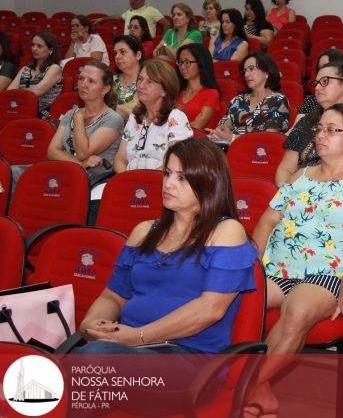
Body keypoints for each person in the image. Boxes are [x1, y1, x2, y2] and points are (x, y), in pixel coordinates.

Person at [249, 103, 343, 416]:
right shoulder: (300, 176)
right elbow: (265, 223)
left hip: (330, 273)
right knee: (235, 296)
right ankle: (257, 387)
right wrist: (249, 267)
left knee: (297, 310)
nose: (321, 135)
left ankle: (240, 390)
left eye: (333, 130)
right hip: (279, 267)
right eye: (320, 129)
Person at [76, 138, 257, 358]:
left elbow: (211, 309)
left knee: (92, 359)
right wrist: (91, 324)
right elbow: (113, 297)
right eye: (167, 174)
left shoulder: (226, 231)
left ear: (208, 182)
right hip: (124, 346)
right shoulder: (143, 232)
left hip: (185, 354)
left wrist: (137, 337)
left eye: (181, 178)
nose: (168, 184)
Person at [46, 61, 124, 185]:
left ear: (105, 89)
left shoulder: (113, 119)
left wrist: (78, 117)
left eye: (91, 81)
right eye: (81, 78)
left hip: (92, 180)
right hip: (65, 172)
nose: (83, 84)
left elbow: (83, 152)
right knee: (16, 172)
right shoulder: (70, 113)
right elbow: (52, 151)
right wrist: (80, 164)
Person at [114, 60, 192, 173]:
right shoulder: (134, 117)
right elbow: (120, 158)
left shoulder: (176, 117)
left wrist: (144, 183)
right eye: (140, 79)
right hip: (129, 181)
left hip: (160, 183)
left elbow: (176, 162)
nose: (141, 85)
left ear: (165, 90)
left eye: (149, 82)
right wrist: (127, 180)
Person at [207, 52, 288, 143]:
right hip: (228, 145)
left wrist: (232, 137)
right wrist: (218, 132)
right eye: (245, 71)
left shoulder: (278, 100)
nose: (246, 74)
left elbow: (269, 137)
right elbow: (225, 125)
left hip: (257, 152)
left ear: (267, 72)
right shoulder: (239, 99)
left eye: (251, 69)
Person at [8, 32, 63, 118]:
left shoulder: (54, 68)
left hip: (43, 112)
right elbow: (9, 92)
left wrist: (18, 94)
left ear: (51, 50)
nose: (34, 48)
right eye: (33, 45)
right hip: (21, 109)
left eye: (39, 46)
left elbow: (38, 91)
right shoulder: (25, 69)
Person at [296, 48, 343, 127]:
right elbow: (294, 131)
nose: (322, 71)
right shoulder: (311, 102)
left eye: (326, 66)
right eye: (319, 68)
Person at [175, 43, 220, 130]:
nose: (182, 67)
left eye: (187, 62)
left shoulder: (211, 94)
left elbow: (197, 126)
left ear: (201, 63)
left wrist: (174, 126)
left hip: (199, 141)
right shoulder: (177, 91)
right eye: (180, 62)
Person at [95, 0, 169, 37]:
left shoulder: (150, 10)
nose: (132, 1)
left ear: (143, 1)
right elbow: (118, 17)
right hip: (127, 42)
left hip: (144, 42)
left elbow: (167, 24)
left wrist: (162, 40)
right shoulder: (129, 12)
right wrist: (103, 19)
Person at [112, 35, 144, 119]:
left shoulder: (148, 82)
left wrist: (117, 108)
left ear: (138, 55)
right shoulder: (111, 80)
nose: (117, 56)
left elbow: (145, 117)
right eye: (115, 53)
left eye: (122, 52)